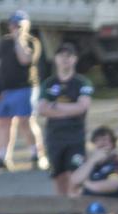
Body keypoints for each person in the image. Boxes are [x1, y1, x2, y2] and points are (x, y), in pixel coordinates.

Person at [0, 10, 46, 170]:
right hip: (5, 89)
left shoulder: (32, 41)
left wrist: (18, 40)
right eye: (13, 25)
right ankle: (3, 157)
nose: (16, 28)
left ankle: (37, 155)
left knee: (25, 121)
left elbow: (24, 59)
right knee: (4, 122)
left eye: (19, 25)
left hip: (24, 88)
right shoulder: (4, 42)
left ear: (26, 26)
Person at [38, 43, 93, 196]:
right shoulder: (48, 84)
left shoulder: (82, 82)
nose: (65, 59)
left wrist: (55, 106)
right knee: (58, 176)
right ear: (55, 59)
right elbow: (42, 109)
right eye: (61, 56)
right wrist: (69, 110)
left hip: (75, 136)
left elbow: (82, 107)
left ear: (75, 59)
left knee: (75, 176)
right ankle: (62, 210)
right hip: (55, 137)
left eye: (68, 56)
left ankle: (74, 208)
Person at [70, 126, 118, 197]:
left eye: (105, 139)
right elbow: (74, 181)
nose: (101, 143)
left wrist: (86, 183)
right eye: (97, 140)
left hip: (110, 203)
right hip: (87, 202)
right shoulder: (91, 163)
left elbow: (113, 185)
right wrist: (92, 161)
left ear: (113, 144)